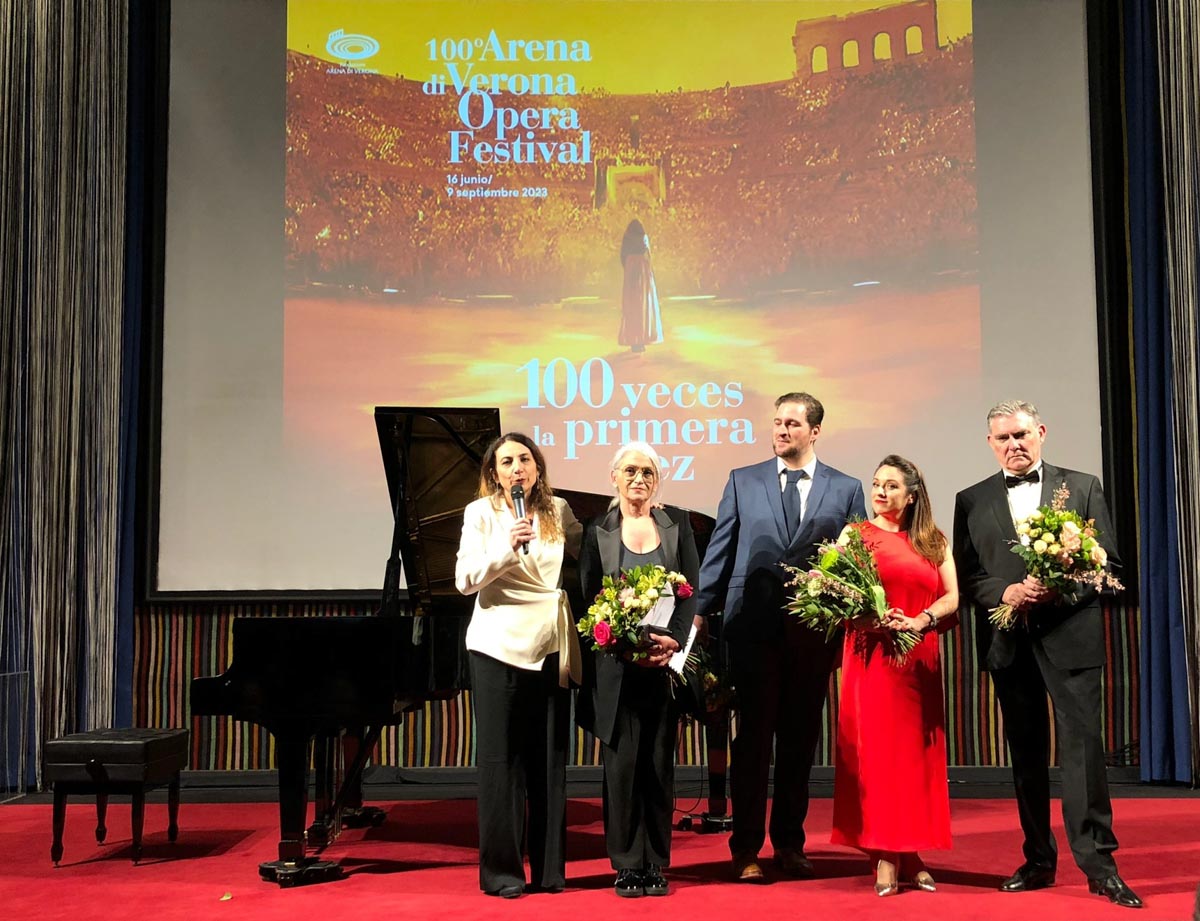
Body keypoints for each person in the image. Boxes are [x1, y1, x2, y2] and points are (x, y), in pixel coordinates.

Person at [953, 400, 1143, 909]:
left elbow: (1109, 563)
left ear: (1040, 432)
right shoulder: (970, 499)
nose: (1014, 445)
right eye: (1002, 438)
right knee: (1026, 758)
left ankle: (1100, 867)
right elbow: (969, 574)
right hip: (1008, 643)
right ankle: (1038, 859)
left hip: (1070, 638)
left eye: (1021, 435)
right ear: (990, 443)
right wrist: (1007, 592)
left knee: (1083, 757)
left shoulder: (1081, 487)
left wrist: (1057, 589)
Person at [696, 391, 867, 882]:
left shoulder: (847, 487)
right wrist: (703, 611)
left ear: (814, 431)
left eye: (792, 423)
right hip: (751, 630)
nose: (781, 431)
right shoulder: (742, 480)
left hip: (813, 635)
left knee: (798, 742)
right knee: (752, 742)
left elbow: (857, 563)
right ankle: (745, 848)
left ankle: (789, 844)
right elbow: (721, 548)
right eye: (777, 423)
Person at [454, 432, 582, 898]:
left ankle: (550, 871)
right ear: (493, 472)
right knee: (500, 762)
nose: (517, 468)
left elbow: (582, 566)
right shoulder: (480, 513)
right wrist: (506, 547)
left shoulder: (559, 510)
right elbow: (465, 581)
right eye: (506, 461)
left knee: (548, 760)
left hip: (547, 643)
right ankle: (503, 873)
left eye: (525, 459)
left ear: (538, 468)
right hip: (495, 644)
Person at [830, 455, 957, 896]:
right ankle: (885, 851)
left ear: (911, 494)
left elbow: (952, 597)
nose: (880, 492)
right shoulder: (855, 535)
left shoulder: (933, 540)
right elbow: (831, 594)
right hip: (871, 660)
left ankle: (911, 850)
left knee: (913, 760)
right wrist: (860, 617)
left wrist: (922, 620)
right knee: (880, 757)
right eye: (876, 484)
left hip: (918, 661)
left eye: (890, 486)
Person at [577, 442, 699, 898]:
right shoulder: (597, 530)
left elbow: (691, 591)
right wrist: (624, 649)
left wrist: (673, 643)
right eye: (630, 471)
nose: (639, 479)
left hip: (665, 668)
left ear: (657, 480)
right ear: (614, 477)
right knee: (623, 769)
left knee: (658, 767)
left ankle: (656, 864)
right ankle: (628, 864)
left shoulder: (677, 524)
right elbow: (589, 603)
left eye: (648, 472)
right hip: (619, 671)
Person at [618, 219, 662, 354]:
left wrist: (628, 268)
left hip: (631, 269)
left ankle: (634, 341)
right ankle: (642, 339)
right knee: (643, 307)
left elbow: (622, 256)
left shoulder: (627, 238)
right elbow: (648, 255)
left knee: (632, 306)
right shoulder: (644, 237)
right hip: (642, 271)